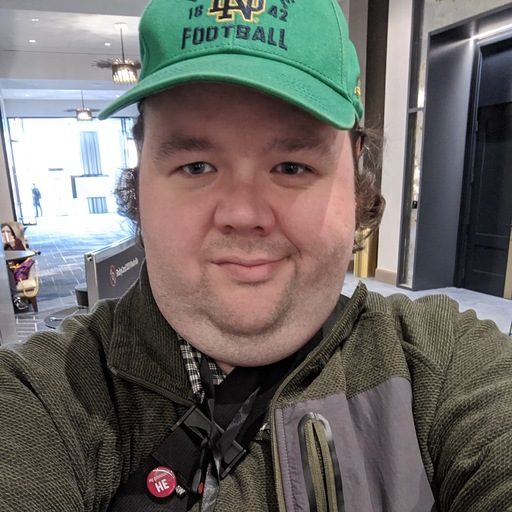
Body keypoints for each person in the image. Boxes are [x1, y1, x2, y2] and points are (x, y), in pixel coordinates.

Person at [1, 1, 511, 510]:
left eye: (291, 166)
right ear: (141, 176)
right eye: (197, 166)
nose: (243, 213)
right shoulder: (45, 397)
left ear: (356, 178)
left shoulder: (443, 364)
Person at [1, 222, 28, 312]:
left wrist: (13, 246)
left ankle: (16, 298)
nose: (5, 234)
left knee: (7, 268)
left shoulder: (17, 241)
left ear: (12, 233)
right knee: (5, 266)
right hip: (2, 270)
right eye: (3, 232)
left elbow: (23, 257)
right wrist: (3, 245)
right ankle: (16, 298)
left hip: (16, 269)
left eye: (8, 231)